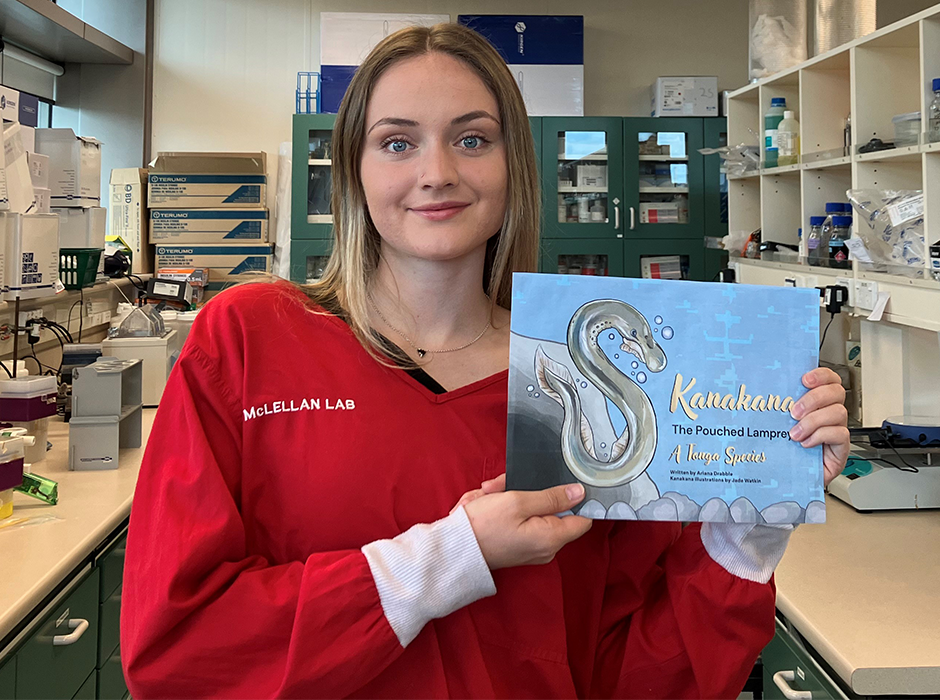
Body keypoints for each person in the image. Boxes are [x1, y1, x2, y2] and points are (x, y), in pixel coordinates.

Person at [121, 23, 851, 699]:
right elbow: (178, 647)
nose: (437, 172)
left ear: (513, 167)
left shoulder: (579, 384)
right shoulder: (253, 339)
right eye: (397, 143)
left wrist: (748, 522)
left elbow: (629, 675)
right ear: (353, 169)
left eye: (472, 140)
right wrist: (451, 558)